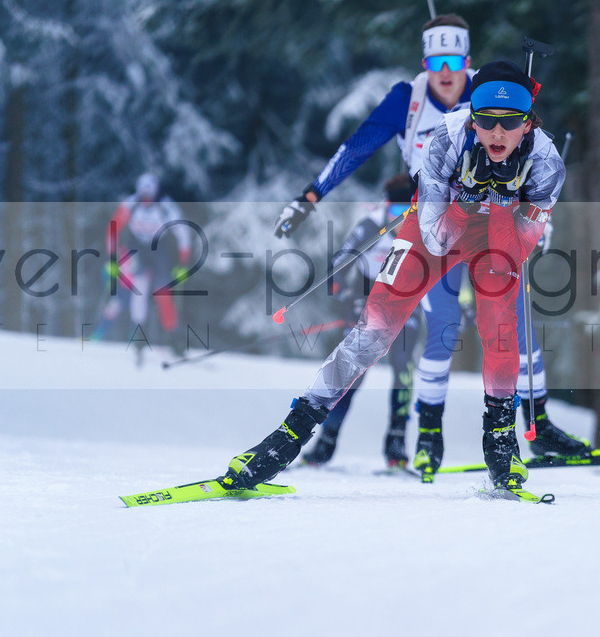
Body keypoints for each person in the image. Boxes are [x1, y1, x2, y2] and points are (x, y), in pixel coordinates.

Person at [225, 61, 566, 494]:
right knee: (374, 327)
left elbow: (510, 255)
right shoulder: (446, 137)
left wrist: (499, 200)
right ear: (473, 116)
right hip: (437, 227)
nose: (497, 134)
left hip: (498, 240)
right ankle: (289, 436)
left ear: (529, 121)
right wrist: (466, 198)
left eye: (510, 123)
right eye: (486, 121)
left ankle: (501, 444)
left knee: (500, 324)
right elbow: (437, 238)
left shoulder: (546, 164)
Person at [301, 174, 422, 469]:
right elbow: (341, 259)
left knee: (403, 368)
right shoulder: (374, 222)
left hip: (407, 299)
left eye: (405, 209)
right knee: (352, 372)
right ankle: (326, 441)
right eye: (395, 209)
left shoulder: (424, 223)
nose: (400, 215)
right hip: (367, 296)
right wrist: (342, 290)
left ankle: (396, 443)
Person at [100, 172, 192, 360]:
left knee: (163, 294)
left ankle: (173, 338)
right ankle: (139, 336)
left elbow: (183, 232)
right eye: (144, 196)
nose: (146, 200)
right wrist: (112, 258)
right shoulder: (131, 204)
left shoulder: (166, 206)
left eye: (150, 196)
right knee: (138, 290)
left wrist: (183, 262)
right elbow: (113, 229)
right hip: (137, 249)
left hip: (159, 250)